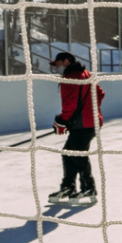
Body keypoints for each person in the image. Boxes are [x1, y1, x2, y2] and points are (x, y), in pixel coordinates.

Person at [49, 52, 105, 204]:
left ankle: (89, 187)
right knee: (68, 153)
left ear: (67, 61)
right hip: (91, 123)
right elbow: (100, 94)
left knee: (76, 155)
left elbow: (70, 104)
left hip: (82, 125)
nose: (57, 68)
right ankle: (68, 186)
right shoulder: (86, 74)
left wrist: (61, 121)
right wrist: (90, 111)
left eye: (58, 64)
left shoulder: (70, 78)